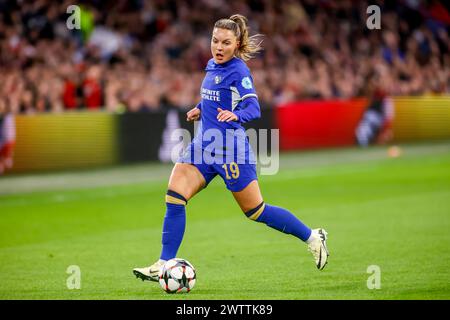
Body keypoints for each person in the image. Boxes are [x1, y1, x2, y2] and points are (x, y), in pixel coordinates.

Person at [133, 14, 329, 282]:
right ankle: (164, 263)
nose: (219, 47)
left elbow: (253, 107)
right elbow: (214, 98)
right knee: (174, 195)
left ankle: (311, 236)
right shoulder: (212, 65)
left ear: (236, 45)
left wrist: (236, 116)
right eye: (215, 41)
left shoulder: (239, 71)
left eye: (226, 43)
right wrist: (200, 109)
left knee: (256, 211)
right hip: (203, 147)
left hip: (231, 151)